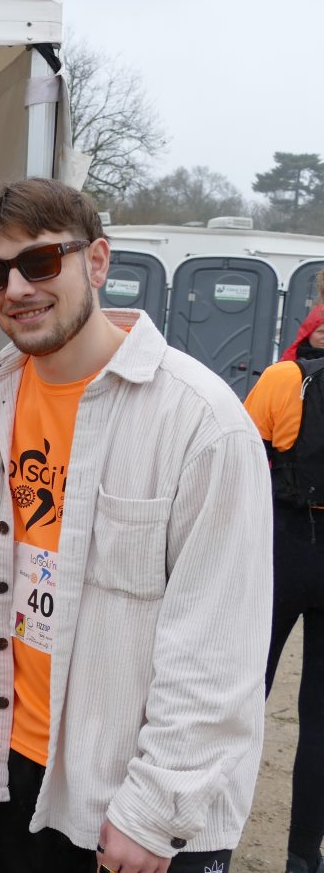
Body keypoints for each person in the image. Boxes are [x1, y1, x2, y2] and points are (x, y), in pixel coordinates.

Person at [0, 178, 272, 873]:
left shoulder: (201, 423)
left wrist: (154, 812)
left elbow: (219, 649)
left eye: (40, 261)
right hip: (21, 770)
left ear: (96, 261)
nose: (16, 289)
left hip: (131, 798)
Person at [243, 284, 324, 873]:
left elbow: (243, 461)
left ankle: (208, 838)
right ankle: (303, 857)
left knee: (243, 699)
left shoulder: (282, 378)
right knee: (320, 720)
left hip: (283, 548)